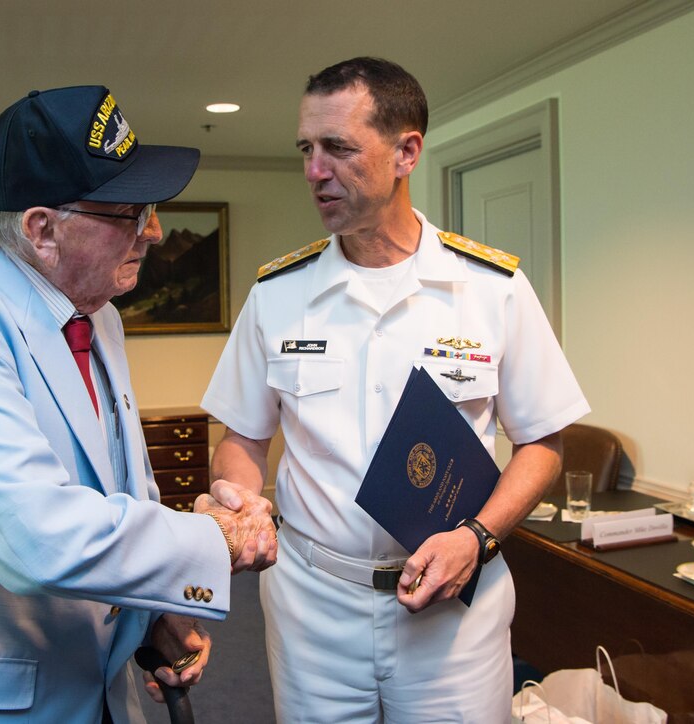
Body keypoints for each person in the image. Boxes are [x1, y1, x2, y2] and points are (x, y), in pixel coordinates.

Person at [0, 85, 275, 723]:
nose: (155, 231)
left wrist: (149, 617)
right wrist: (215, 537)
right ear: (42, 230)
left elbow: (117, 487)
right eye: (130, 212)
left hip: (95, 686)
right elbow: (40, 535)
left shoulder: (96, 314)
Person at [201, 58, 591, 722]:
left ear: (407, 151)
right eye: (306, 149)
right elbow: (241, 437)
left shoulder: (492, 290)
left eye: (338, 148)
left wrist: (478, 536)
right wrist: (243, 500)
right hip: (312, 606)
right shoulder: (278, 296)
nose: (313, 170)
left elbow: (542, 443)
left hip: (451, 611)